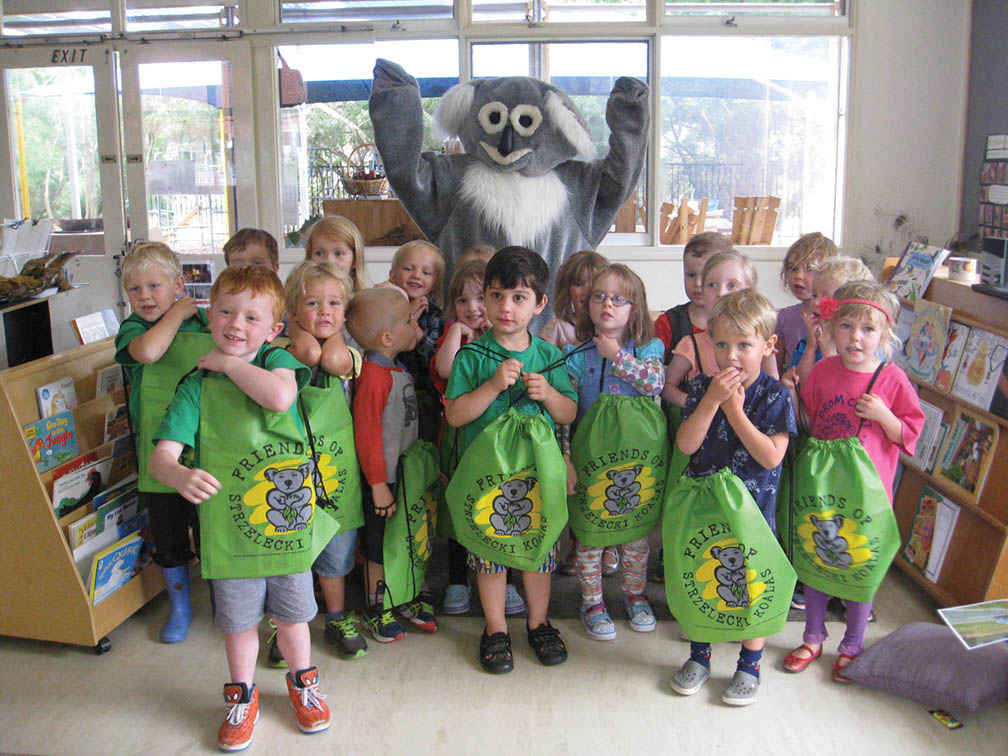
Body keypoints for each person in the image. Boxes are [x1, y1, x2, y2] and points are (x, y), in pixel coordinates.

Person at [149, 266, 330, 750]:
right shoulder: (194, 386)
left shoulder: (278, 360)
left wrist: (230, 365)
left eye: (252, 316)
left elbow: (278, 397)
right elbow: (161, 457)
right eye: (226, 311)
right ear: (210, 315)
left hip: (286, 524)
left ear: (274, 330)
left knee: (294, 617)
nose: (236, 323)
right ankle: (242, 695)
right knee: (238, 622)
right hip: (229, 528)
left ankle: (303, 683)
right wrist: (180, 474)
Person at [445, 246, 577, 674]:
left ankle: (539, 623)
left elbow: (568, 414)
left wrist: (549, 394)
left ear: (540, 304)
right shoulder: (471, 357)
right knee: (489, 553)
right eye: (497, 295)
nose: (506, 307)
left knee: (539, 553)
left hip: (536, 476)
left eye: (519, 298)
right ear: (484, 297)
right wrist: (491, 387)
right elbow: (454, 414)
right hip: (486, 478)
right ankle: (496, 628)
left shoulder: (550, 356)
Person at [782, 281, 923, 681]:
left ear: (885, 336)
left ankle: (853, 644)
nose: (855, 338)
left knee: (861, 568)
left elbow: (909, 434)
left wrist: (884, 416)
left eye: (867, 330)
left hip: (867, 492)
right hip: (824, 488)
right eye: (845, 327)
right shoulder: (825, 370)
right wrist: (792, 394)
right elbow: (809, 418)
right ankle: (812, 635)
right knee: (815, 560)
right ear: (830, 329)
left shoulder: (891, 379)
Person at [669, 289, 797, 706]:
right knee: (704, 575)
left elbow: (771, 455)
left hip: (754, 513)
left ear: (768, 345)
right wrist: (711, 401)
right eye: (721, 344)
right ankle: (700, 656)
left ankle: (749, 664)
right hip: (705, 508)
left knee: (752, 583)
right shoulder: (703, 386)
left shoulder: (777, 395)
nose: (732, 356)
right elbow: (686, 445)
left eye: (744, 344)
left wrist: (736, 412)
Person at [268, 261, 366, 663]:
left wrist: (333, 331)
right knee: (289, 553)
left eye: (334, 304)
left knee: (335, 554)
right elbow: (307, 353)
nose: (325, 312)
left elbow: (334, 363)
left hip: (336, 475)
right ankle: (286, 626)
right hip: (289, 474)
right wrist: (298, 333)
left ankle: (338, 617)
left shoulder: (349, 354)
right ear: (291, 313)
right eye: (312, 303)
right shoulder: (277, 353)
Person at [114, 241, 208, 644]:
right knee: (168, 535)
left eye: (154, 286)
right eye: (135, 290)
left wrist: (192, 315)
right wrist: (179, 312)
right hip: (158, 456)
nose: (145, 296)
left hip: (206, 450)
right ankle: (180, 605)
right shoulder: (133, 329)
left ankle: (226, 602)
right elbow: (150, 352)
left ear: (178, 285)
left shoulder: (204, 324)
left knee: (210, 530)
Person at [564, 263, 664, 639]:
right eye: (599, 296)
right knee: (590, 535)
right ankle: (592, 600)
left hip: (637, 461)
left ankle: (635, 595)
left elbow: (654, 382)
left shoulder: (650, 348)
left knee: (635, 535)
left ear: (634, 307)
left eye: (619, 298)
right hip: (592, 459)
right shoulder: (576, 355)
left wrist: (617, 356)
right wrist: (567, 459)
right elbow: (566, 415)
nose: (608, 304)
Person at [346, 287, 437, 641]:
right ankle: (377, 606)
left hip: (404, 475)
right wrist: (377, 484)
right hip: (382, 482)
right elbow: (366, 434)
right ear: (387, 337)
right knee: (378, 546)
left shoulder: (395, 368)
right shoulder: (372, 377)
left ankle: (404, 595)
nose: (415, 327)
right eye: (407, 322)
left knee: (403, 539)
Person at [538, 250, 614, 575]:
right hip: (568, 419)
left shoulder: (609, 330)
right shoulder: (558, 328)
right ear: (567, 288)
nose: (584, 292)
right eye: (578, 283)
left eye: (594, 286)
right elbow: (540, 359)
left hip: (604, 420)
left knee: (606, 482)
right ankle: (574, 544)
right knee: (572, 485)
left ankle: (608, 542)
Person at [662, 250, 772, 407]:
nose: (721, 293)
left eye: (732, 285)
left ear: (749, 292)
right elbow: (667, 387)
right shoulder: (691, 344)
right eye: (712, 285)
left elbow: (773, 389)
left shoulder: (760, 342)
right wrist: (698, 405)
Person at [387, 240, 446, 444]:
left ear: (435, 281)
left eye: (426, 272)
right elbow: (380, 346)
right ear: (392, 275)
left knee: (424, 440)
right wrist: (403, 317)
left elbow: (434, 356)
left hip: (424, 394)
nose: (416, 275)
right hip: (389, 390)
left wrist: (414, 326)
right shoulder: (384, 309)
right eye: (408, 268)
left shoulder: (435, 315)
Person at [790, 256, 874, 384]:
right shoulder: (809, 340)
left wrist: (828, 350)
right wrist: (811, 347)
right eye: (814, 295)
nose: (816, 302)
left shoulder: (857, 346)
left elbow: (840, 390)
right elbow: (803, 385)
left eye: (826, 297)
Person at [653, 231, 733, 364]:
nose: (697, 283)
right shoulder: (668, 323)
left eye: (706, 276)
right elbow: (654, 369)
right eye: (691, 275)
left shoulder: (743, 321)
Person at [774, 232, 838, 374]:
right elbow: (776, 366)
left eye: (809, 269)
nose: (798, 276)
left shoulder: (838, 319)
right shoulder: (785, 317)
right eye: (793, 268)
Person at [303, 215, 367, 292]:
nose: (328, 261)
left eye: (338, 253)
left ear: (355, 260)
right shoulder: (300, 297)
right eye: (319, 253)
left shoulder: (365, 301)